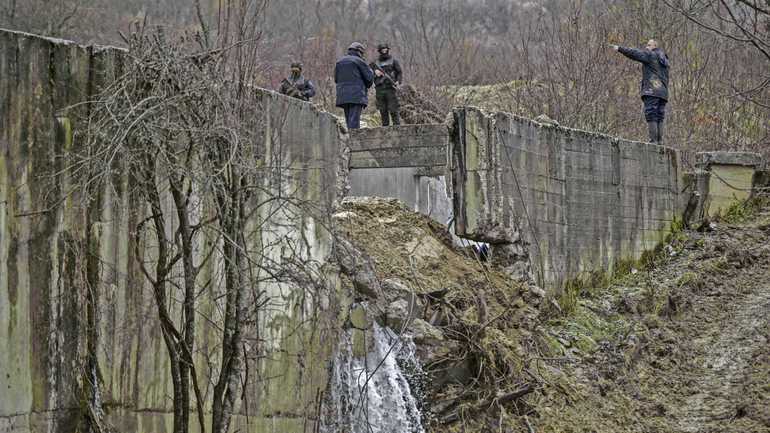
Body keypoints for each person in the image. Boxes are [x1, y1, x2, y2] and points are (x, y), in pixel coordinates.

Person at [610, 39, 670, 143]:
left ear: (655, 46)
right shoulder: (665, 60)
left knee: (651, 114)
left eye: (649, 45)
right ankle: (659, 142)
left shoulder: (651, 55)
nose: (646, 47)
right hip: (663, 93)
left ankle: (653, 142)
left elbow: (635, 53)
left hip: (652, 90)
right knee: (659, 116)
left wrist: (619, 48)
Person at [334, 42, 374, 130]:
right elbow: (369, 79)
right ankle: (354, 138)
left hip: (343, 96)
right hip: (356, 96)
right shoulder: (359, 61)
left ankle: (349, 137)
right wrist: (371, 70)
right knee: (354, 122)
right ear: (359, 52)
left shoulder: (339, 62)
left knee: (349, 121)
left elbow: (336, 79)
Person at [371, 43, 403, 126]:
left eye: (385, 49)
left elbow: (399, 72)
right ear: (379, 51)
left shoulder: (393, 61)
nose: (384, 51)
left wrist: (398, 81)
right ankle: (385, 130)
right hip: (380, 89)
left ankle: (397, 128)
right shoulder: (375, 63)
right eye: (382, 49)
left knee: (393, 110)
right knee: (383, 111)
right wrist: (375, 72)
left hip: (391, 88)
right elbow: (368, 73)